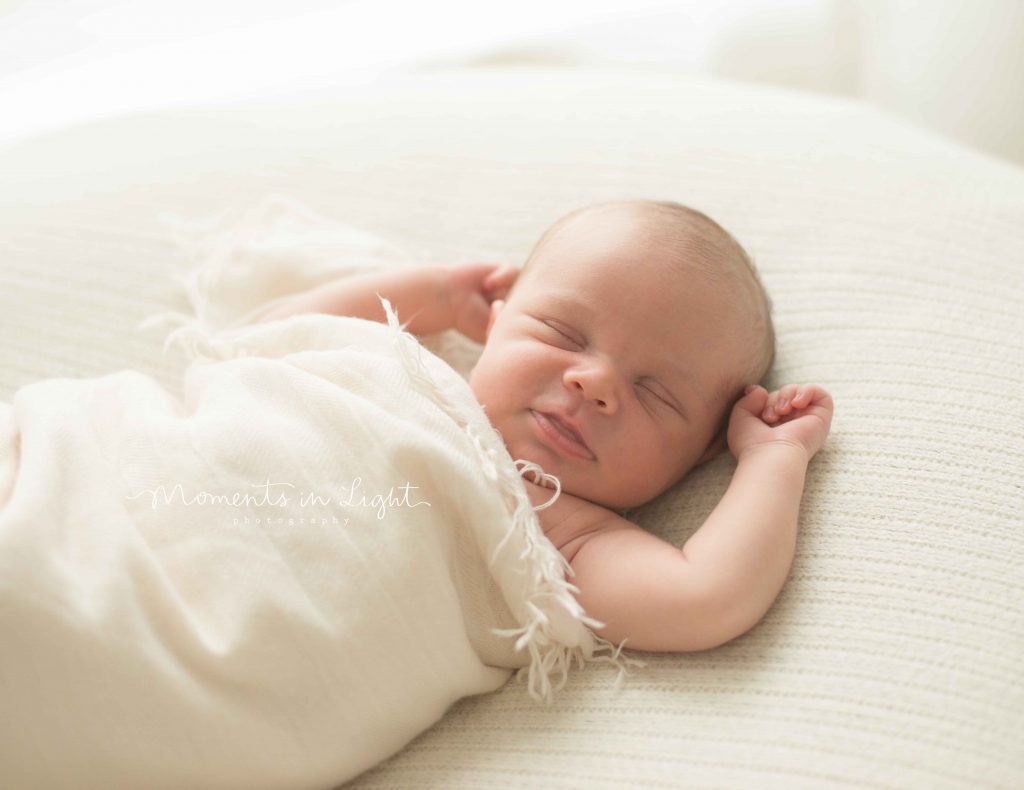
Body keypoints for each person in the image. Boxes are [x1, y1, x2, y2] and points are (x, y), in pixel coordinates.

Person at [257, 200, 834, 654]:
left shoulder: (565, 537)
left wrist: (772, 458)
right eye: (561, 333)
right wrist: (439, 294)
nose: (595, 382)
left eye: (653, 394)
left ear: (703, 453)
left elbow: (706, 597)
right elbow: (268, 343)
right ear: (498, 319)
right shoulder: (409, 377)